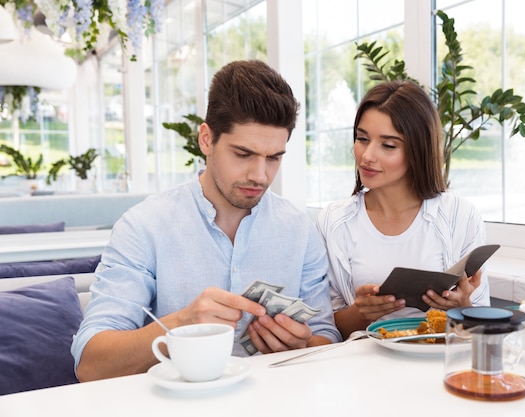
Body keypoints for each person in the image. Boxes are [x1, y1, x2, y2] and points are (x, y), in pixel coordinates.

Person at [71, 60, 341, 381]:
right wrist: (181, 325)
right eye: (243, 154)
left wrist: (302, 343)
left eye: (273, 158)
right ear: (206, 139)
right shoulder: (144, 226)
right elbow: (90, 363)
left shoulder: (299, 230)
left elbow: (326, 335)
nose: (259, 175)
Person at [316, 80, 490, 340]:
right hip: (363, 367)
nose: (367, 156)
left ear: (418, 151)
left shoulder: (460, 216)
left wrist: (461, 306)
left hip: (438, 361)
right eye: (362, 139)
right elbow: (324, 331)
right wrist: (361, 312)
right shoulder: (333, 222)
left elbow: (481, 325)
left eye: (388, 145)